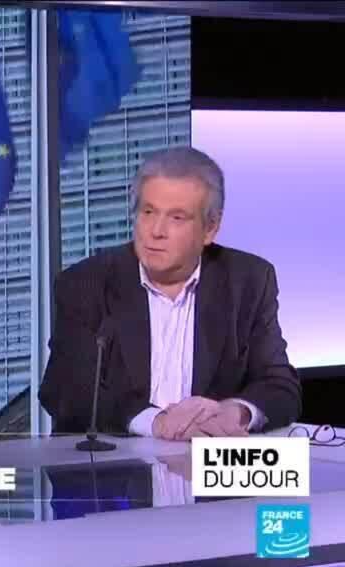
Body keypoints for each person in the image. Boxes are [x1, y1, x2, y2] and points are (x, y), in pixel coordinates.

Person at [39, 146, 301, 440]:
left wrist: (234, 411)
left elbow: (280, 385)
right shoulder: (87, 283)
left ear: (210, 228)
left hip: (207, 459)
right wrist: (157, 422)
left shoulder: (248, 281)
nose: (156, 231)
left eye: (177, 217)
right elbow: (65, 390)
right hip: (113, 462)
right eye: (148, 212)